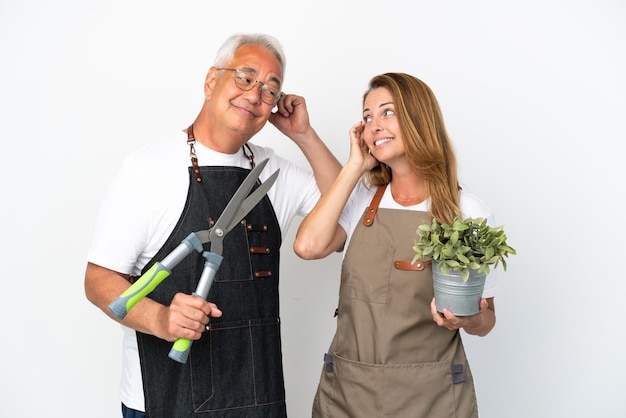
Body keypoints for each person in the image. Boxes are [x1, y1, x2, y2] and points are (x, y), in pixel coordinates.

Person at [84, 33, 341, 418]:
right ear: (210, 81)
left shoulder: (274, 173)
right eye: (245, 77)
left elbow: (349, 211)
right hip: (165, 399)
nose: (256, 95)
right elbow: (98, 280)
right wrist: (159, 318)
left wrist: (304, 135)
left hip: (258, 398)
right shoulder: (147, 170)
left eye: (271, 90)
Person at [294, 72, 499, 417]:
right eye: (367, 116)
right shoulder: (360, 201)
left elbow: (488, 318)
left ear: (419, 118)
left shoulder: (468, 212)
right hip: (348, 393)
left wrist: (466, 320)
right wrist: (355, 166)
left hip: (431, 397)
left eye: (387, 112)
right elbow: (307, 246)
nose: (374, 125)